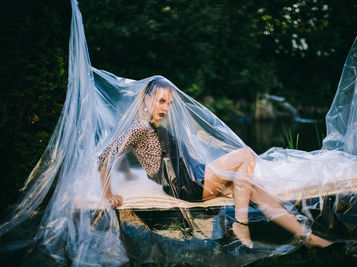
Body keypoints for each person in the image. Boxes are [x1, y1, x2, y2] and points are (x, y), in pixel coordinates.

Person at [98, 77, 332, 249]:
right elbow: (105, 156)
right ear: (147, 99)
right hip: (187, 184)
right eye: (161, 101)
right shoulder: (140, 127)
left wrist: (127, 172)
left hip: (195, 176)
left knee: (254, 189)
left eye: (168, 103)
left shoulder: (155, 126)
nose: (166, 108)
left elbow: (128, 157)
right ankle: (240, 224)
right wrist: (108, 193)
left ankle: (306, 237)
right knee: (245, 155)